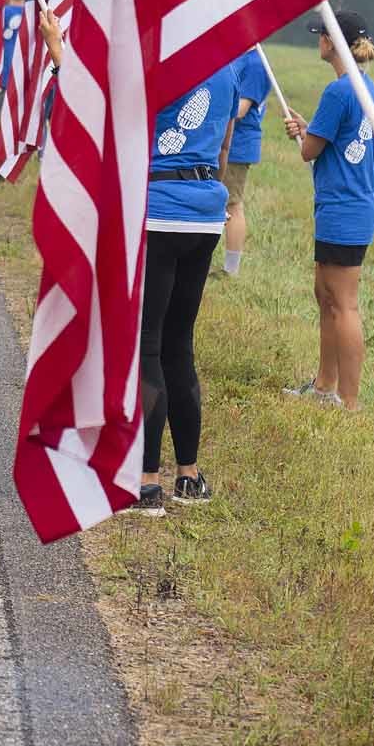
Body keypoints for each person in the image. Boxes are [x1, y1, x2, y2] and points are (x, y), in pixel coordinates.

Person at [135, 63, 240, 513]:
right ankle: (189, 476)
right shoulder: (229, 70)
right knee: (179, 343)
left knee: (148, 344)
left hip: (159, 210)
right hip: (206, 212)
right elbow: (224, 148)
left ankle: (146, 483)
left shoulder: (159, 61)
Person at [281, 12, 374, 413]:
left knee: (343, 303)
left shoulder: (339, 92)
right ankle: (324, 387)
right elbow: (334, 139)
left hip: (346, 207)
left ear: (331, 41)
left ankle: (350, 402)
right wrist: (310, 128)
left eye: (320, 35)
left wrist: (304, 135)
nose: (317, 41)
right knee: (324, 295)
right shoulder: (364, 87)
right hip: (347, 204)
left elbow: (310, 151)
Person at [217, 46, 272, 276]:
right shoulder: (240, 57)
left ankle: (231, 269)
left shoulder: (256, 64)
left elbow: (240, 110)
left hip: (237, 146)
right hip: (225, 141)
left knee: (232, 204)